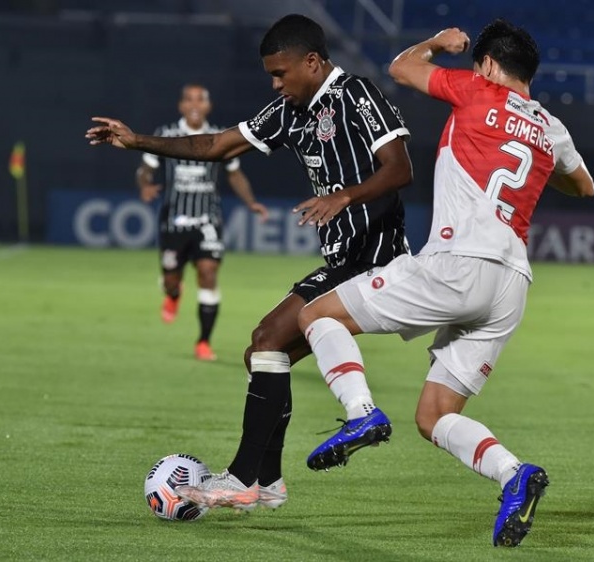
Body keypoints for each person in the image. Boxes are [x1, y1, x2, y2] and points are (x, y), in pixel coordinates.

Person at [86, 14, 414, 510]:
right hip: (343, 259)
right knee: (263, 352)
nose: (275, 84)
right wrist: (138, 141)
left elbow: (401, 168)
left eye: (281, 73)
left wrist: (344, 196)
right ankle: (269, 482)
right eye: (270, 76)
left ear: (312, 61)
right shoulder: (289, 111)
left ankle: (244, 478)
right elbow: (217, 145)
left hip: (376, 258)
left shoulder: (356, 94)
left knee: (266, 340)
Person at [295, 20, 594, 547]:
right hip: (511, 284)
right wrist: (535, 156)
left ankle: (360, 412)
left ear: (488, 65)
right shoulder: (552, 127)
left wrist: (435, 43)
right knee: (434, 416)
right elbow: (584, 186)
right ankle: (514, 474)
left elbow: (401, 68)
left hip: (459, 262)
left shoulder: (476, 88)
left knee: (316, 315)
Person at [136, 83, 269, 361]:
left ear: (208, 106)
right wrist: (145, 184)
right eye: (189, 99)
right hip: (174, 221)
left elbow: (234, 173)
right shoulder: (166, 134)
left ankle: (204, 342)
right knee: (170, 281)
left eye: (200, 100)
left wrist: (250, 202)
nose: (195, 105)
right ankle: (173, 293)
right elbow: (145, 169)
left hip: (208, 219)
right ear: (181, 105)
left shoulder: (219, 136)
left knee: (208, 273)